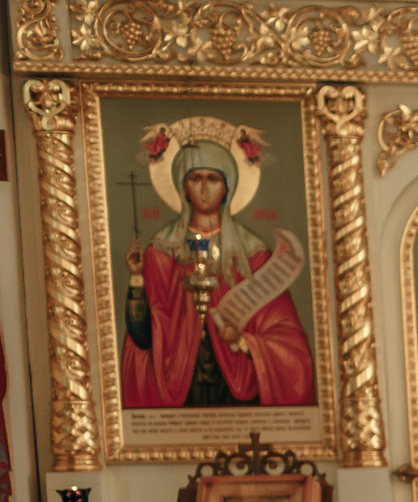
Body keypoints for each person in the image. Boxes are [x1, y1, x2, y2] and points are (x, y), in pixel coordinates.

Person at [122, 140, 317, 412]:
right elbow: (142, 337)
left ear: (228, 186)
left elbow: (286, 338)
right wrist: (136, 278)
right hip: (179, 379)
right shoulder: (162, 250)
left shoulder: (252, 253)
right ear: (183, 187)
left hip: (236, 380)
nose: (203, 189)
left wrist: (244, 342)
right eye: (195, 179)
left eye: (213, 179)